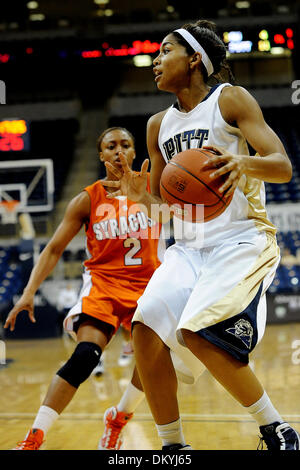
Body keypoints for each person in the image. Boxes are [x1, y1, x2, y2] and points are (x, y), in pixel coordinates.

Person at [101, 20, 300, 450]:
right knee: (145, 330)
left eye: (165, 51)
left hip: (241, 240)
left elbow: (282, 165)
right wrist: (140, 200)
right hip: (188, 247)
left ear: (194, 59)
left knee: (199, 331)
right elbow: (165, 210)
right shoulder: (158, 125)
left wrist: (240, 164)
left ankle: (277, 428)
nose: (155, 61)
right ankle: (173, 447)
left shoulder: (229, 100)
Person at [4, 126, 164, 450]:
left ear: (135, 152)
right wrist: (28, 291)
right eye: (111, 146)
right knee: (85, 357)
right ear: (101, 155)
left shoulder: (153, 186)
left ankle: (118, 418)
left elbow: (176, 217)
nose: (119, 151)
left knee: (154, 364)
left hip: (150, 287)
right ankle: (34, 437)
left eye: (126, 145)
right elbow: (52, 249)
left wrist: (142, 196)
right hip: (104, 287)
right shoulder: (87, 199)